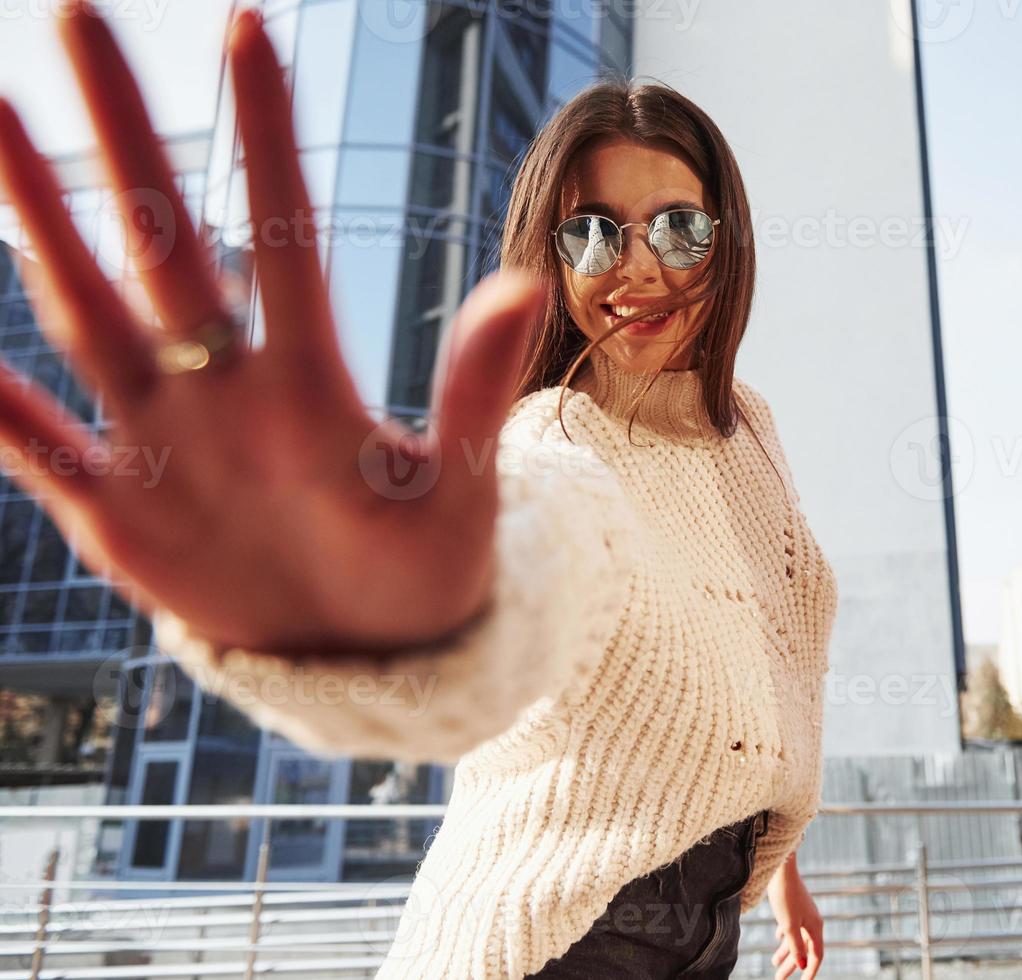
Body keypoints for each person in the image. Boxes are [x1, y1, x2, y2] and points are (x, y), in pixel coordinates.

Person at [0, 3, 836, 978]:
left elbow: (761, 663)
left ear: (724, 238)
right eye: (593, 234)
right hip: (553, 940)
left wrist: (779, 864)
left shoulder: (750, 426)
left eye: (679, 226)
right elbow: (527, 573)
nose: (640, 264)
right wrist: (390, 622)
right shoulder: (553, 441)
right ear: (550, 258)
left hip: (707, 926)